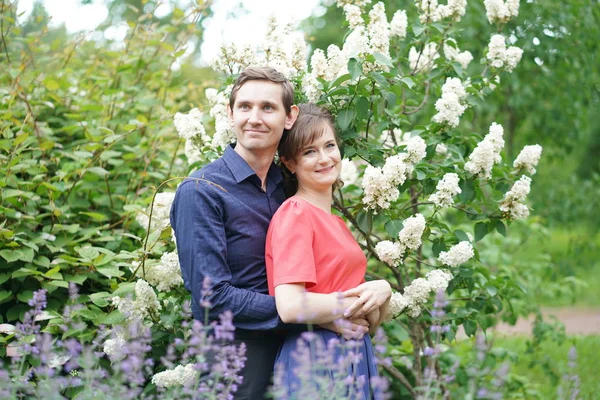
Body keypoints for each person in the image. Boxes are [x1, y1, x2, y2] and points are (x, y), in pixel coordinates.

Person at [170, 67, 371, 399]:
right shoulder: (201, 191)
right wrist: (310, 315)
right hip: (237, 370)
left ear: (289, 116)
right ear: (230, 113)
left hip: (301, 361)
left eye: (268, 107)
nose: (254, 118)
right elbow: (211, 298)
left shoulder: (287, 189)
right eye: (245, 107)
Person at [265, 103, 392, 399]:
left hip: (354, 355)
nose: (324, 158)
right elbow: (290, 305)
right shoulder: (295, 214)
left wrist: (383, 293)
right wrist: (359, 300)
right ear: (289, 162)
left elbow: (367, 321)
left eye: (329, 146)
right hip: (316, 357)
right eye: (310, 151)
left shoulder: (336, 223)